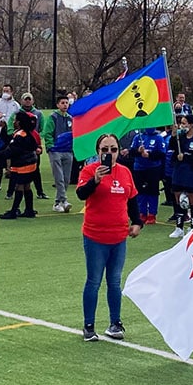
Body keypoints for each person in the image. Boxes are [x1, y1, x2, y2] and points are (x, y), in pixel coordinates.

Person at [77, 133, 142, 342]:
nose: (109, 153)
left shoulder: (125, 172)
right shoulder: (89, 170)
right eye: (104, 150)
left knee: (114, 281)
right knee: (93, 281)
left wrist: (137, 222)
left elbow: (132, 199)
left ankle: (115, 323)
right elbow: (81, 194)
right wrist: (96, 180)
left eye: (113, 149)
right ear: (97, 151)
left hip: (119, 235)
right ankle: (89, 325)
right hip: (95, 235)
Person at [0, 109, 42, 220]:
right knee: (27, 186)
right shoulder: (27, 133)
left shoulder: (20, 135)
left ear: (19, 122)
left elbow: (11, 151)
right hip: (30, 164)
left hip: (23, 165)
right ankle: (29, 210)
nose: (13, 122)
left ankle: (14, 211)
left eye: (15, 120)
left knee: (19, 186)